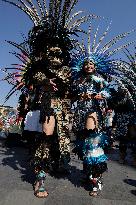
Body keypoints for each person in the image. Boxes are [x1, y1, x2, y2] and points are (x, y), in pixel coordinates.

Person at [72, 59, 110, 196]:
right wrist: (80, 94)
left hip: (93, 111)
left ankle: (96, 179)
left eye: (91, 64)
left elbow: (108, 91)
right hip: (80, 112)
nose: (88, 66)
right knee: (83, 145)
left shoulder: (98, 78)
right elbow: (72, 93)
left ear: (95, 66)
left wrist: (101, 95)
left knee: (92, 142)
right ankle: (88, 173)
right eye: (86, 64)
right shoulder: (78, 79)